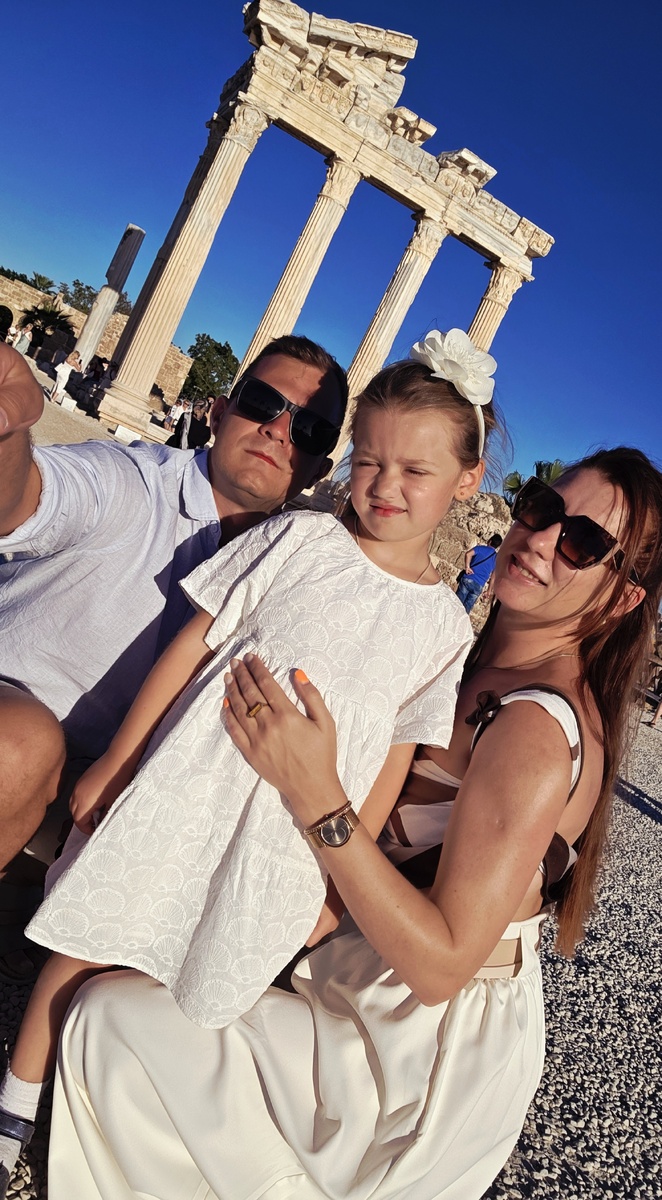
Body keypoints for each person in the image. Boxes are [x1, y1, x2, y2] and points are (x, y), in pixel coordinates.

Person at [42, 443, 662, 1200]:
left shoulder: (533, 727)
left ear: (623, 599)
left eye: (584, 543)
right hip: (359, 978)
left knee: (109, 1020)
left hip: (411, 1055)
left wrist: (318, 796)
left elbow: (442, 967)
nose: (541, 539)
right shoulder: (472, 661)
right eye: (542, 508)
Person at [0, 331, 492, 1178]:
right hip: (188, 787)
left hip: (281, 844)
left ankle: (103, 1121)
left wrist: (340, 883)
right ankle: (14, 1107)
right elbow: (196, 641)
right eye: (371, 462)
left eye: (416, 471)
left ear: (467, 480)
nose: (386, 487)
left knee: (185, 980)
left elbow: (395, 754)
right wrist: (121, 761)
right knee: (86, 946)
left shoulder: (446, 629)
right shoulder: (299, 538)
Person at [0, 334, 346, 883]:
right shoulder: (132, 479)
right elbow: (28, 501)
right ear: (218, 413)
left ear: (317, 470)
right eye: (263, 403)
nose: (279, 430)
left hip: (113, 792)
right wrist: (7, 435)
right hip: (11, 721)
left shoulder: (297, 571)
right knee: (21, 746)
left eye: (309, 430)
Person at [455, 531, 502, 612]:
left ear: (490, 541)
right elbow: (493, 577)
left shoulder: (480, 548)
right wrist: (488, 591)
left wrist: (467, 567)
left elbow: (468, 554)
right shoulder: (496, 559)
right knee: (465, 611)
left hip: (469, 578)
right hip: (479, 585)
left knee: (456, 605)